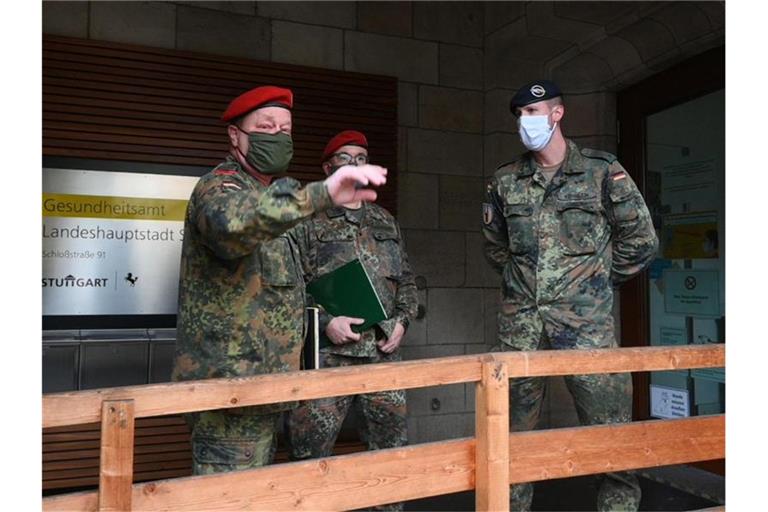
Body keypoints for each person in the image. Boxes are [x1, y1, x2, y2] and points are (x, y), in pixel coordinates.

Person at [172, 87, 388, 476]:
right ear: (236, 135)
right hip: (231, 394)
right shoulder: (220, 187)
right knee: (230, 501)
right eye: (265, 126)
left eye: (284, 129)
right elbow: (234, 226)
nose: (276, 135)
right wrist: (320, 195)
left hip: (270, 389)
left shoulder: (272, 194)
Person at [482, 80, 658, 511]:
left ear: (556, 114)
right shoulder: (505, 181)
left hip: (586, 328)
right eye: (519, 115)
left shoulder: (601, 170)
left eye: (531, 114)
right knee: (509, 432)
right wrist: (525, 287)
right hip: (521, 326)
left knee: (608, 430)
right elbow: (495, 245)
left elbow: (641, 240)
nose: (523, 123)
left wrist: (595, 283)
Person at [287, 130, 418, 511]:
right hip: (328, 361)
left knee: (390, 461)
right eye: (346, 157)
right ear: (328, 168)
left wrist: (403, 322)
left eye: (362, 156)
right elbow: (289, 288)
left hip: (382, 358)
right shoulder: (308, 221)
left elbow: (407, 280)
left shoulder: (384, 221)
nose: (356, 164)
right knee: (309, 460)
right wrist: (325, 321)